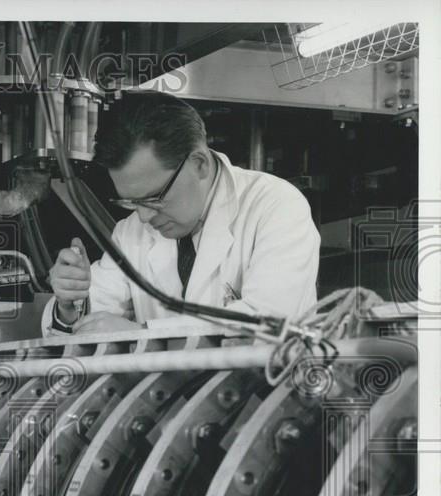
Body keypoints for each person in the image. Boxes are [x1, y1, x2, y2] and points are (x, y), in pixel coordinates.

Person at [45, 90, 319, 335]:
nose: (143, 217)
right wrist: (68, 304)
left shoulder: (275, 206)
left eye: (154, 198)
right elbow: (92, 320)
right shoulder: (131, 233)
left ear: (199, 164)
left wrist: (142, 333)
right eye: (130, 202)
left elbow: (268, 324)